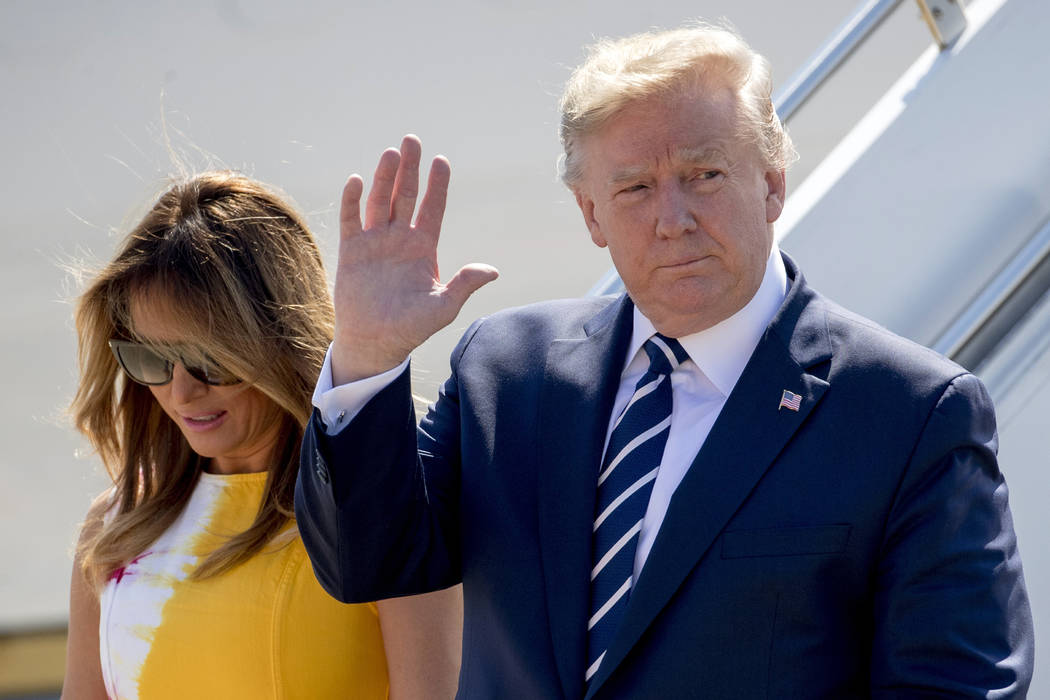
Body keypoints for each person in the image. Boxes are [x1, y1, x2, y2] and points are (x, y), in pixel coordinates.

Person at [295, 23, 1034, 698]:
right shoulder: (505, 372)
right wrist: (365, 357)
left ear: (772, 181)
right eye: (636, 188)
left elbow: (953, 687)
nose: (673, 219)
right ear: (591, 214)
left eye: (705, 175)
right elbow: (371, 564)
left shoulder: (908, 414)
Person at [63, 171, 462, 699]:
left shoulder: (379, 513)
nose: (181, 393)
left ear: (277, 340)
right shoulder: (116, 524)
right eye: (151, 358)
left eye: (207, 360)